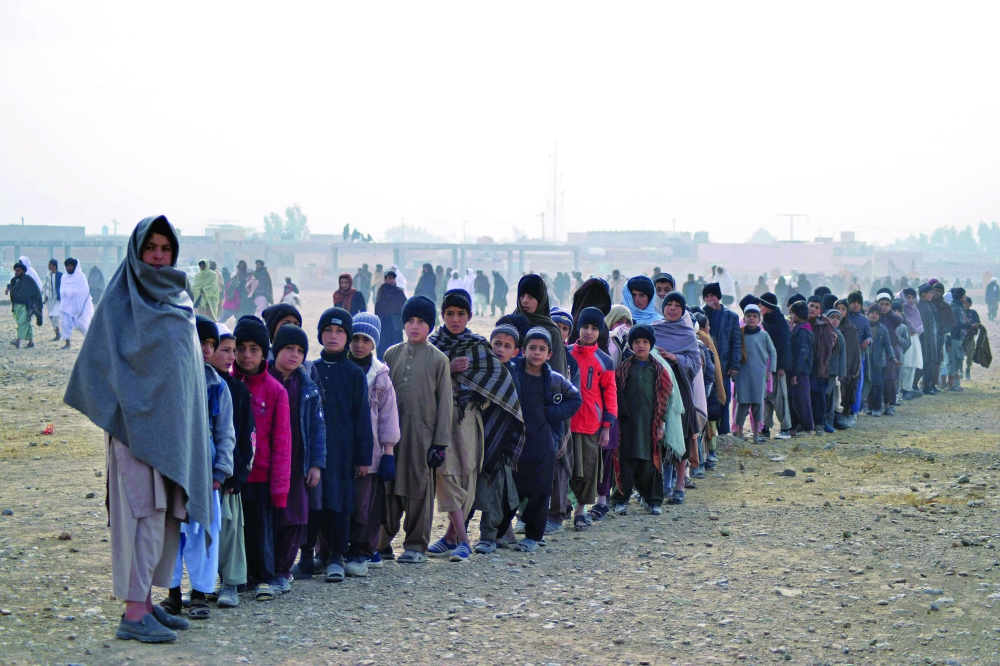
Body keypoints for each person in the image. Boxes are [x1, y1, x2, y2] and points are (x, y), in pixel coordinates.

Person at [63, 215, 208, 643]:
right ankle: (131, 611)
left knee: (166, 516)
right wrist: (127, 412)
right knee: (141, 515)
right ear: (137, 252)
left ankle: (145, 603)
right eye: (151, 248)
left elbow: (185, 377)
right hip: (133, 434)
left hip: (171, 433)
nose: (159, 256)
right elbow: (97, 366)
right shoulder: (119, 300)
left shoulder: (179, 301)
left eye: (166, 248)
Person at [428, 289, 524, 562]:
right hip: (438, 420)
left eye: (461, 314)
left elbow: (499, 381)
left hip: (470, 419)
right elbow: (423, 380)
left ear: (469, 316)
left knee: (468, 474)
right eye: (449, 314)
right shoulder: (432, 345)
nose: (455, 319)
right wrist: (448, 367)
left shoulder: (478, 346)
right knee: (446, 474)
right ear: (442, 315)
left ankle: (451, 536)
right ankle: (461, 538)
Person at [162, 317, 235, 621]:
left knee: (204, 533)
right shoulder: (168, 380)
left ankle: (200, 594)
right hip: (173, 472)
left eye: (211, 344)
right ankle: (173, 595)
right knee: (172, 534)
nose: (206, 349)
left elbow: (225, 433)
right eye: (201, 342)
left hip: (205, 475)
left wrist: (220, 472)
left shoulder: (217, 386)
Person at [378, 296, 453, 564]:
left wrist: (440, 444)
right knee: (387, 490)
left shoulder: (439, 360)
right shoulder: (391, 354)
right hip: (391, 438)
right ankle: (381, 544)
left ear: (430, 326)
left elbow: (445, 404)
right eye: (410, 320)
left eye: (421, 321)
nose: (414, 326)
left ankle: (415, 545)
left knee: (419, 491)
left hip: (423, 439)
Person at [305, 308, 374, 582]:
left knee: (340, 504)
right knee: (313, 505)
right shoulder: (311, 370)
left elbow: (362, 417)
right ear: (320, 334)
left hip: (344, 453)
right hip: (315, 453)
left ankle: (336, 557)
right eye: (329, 331)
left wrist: (363, 457)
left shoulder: (354, 373)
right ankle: (307, 557)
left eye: (340, 331)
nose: (334, 336)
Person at [232, 315, 292, 602]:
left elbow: (282, 443)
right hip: (232, 475)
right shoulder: (226, 385)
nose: (246, 355)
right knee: (233, 530)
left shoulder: (275, 390)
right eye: (240, 348)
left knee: (261, 529)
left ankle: (265, 578)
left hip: (262, 475)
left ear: (264, 351)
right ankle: (234, 579)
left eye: (254, 349)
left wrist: (280, 490)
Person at [505, 327, 581, 551]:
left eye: (542, 349)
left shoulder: (553, 379)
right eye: (532, 348)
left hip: (543, 443)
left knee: (540, 490)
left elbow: (575, 398)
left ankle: (533, 536)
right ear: (523, 351)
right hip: (515, 443)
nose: (536, 353)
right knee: (510, 490)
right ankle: (497, 534)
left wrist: (551, 414)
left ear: (549, 354)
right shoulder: (513, 372)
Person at [268, 325, 325, 593]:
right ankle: (263, 570)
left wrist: (315, 463)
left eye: (300, 350)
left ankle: (282, 570)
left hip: (296, 464)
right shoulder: (264, 378)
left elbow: (317, 427)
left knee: (296, 516)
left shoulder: (306, 384)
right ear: (277, 348)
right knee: (268, 517)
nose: (295, 355)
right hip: (266, 464)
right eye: (289, 348)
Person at [344, 312, 400, 575]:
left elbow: (388, 418)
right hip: (341, 453)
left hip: (373, 456)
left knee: (366, 506)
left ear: (373, 343)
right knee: (340, 503)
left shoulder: (380, 377)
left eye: (365, 339)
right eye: (354, 338)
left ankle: (362, 552)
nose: (358, 344)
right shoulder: (339, 368)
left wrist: (388, 453)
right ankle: (331, 552)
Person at [206, 323, 256, 610]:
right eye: (224, 350)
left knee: (230, 530)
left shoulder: (237, 389)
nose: (230, 356)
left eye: (232, 351)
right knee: (204, 533)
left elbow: (247, 436)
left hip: (229, 476)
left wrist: (238, 475)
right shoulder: (199, 383)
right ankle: (203, 584)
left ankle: (231, 584)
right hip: (202, 474)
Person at [611, 324, 672, 514]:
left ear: (651, 344)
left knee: (649, 462)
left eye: (645, 342)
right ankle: (621, 499)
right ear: (631, 345)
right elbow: (616, 394)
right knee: (626, 460)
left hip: (649, 423)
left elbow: (664, 398)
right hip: (627, 423)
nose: (641, 346)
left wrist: (660, 424)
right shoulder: (623, 368)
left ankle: (652, 500)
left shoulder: (659, 370)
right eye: (636, 342)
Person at [567, 307, 618, 530]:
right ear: (578, 328)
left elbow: (610, 394)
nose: (588, 332)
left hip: (591, 424)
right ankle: (559, 510)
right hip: (566, 423)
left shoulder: (604, 361)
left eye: (594, 328)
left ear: (600, 332)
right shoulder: (565, 353)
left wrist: (607, 426)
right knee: (565, 468)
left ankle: (581, 511)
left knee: (587, 470)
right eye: (585, 327)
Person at [702, 282, 741, 435]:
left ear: (718, 297)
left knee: (724, 399)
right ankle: (708, 434)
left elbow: (736, 342)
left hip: (724, 365)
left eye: (712, 295)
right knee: (708, 399)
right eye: (706, 296)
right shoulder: (701, 314)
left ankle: (724, 432)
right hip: (707, 365)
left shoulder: (731, 316)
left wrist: (735, 365)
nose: (710, 299)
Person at [733, 304, 777, 442]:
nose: (751, 319)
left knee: (758, 404)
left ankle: (757, 434)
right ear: (744, 318)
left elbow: (773, 352)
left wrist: (771, 371)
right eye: (748, 316)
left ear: (759, 319)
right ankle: (739, 434)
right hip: (742, 374)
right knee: (742, 404)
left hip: (759, 374)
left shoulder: (764, 335)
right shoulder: (739, 333)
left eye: (754, 316)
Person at [758, 292, 792, 439]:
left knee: (780, 398)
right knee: (765, 398)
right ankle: (765, 427)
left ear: (769, 306)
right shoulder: (766, 321)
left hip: (777, 368)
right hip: (765, 367)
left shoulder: (779, 322)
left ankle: (785, 428)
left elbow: (784, 346)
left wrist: (781, 367)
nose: (759, 307)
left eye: (761, 305)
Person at [865, 304, 900, 415]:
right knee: (868, 384)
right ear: (868, 313)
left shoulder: (883, 329)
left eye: (877, 313)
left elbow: (888, 345)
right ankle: (869, 407)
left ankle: (877, 408)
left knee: (878, 385)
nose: (874, 315)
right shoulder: (865, 326)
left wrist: (892, 357)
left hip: (878, 361)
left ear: (880, 316)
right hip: (866, 359)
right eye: (872, 312)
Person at [787, 300, 815, 435]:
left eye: (793, 313)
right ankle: (796, 427)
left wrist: (795, 374)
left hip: (801, 372)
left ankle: (808, 428)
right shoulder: (799, 328)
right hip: (798, 372)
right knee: (795, 400)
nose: (791, 315)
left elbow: (801, 354)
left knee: (802, 400)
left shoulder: (803, 331)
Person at [59, 257, 94, 350]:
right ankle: (67, 344)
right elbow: (62, 290)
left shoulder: (81, 276)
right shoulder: (64, 277)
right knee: (65, 324)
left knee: (81, 325)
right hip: (67, 305)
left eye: (70, 266)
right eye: (67, 266)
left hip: (77, 305)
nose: (69, 268)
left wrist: (74, 292)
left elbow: (85, 290)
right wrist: (67, 292)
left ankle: (91, 342)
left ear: (74, 267)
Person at [8, 261, 41, 348]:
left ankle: (18, 341)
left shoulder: (28, 280)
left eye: (18, 271)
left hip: (26, 305)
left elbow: (36, 292)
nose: (16, 272)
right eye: (15, 271)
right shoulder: (14, 280)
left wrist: (36, 305)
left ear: (23, 271)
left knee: (22, 322)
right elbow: (13, 292)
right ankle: (31, 342)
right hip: (16, 305)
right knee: (26, 323)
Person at [374, 271, 407, 358]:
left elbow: (405, 306)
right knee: (383, 346)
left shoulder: (399, 292)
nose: (392, 280)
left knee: (397, 346)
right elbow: (379, 307)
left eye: (393, 278)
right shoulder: (382, 291)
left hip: (396, 323)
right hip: (384, 322)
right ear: (385, 280)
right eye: (389, 278)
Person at [899, 288, 924, 398]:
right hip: (904, 338)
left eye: (913, 297)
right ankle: (900, 389)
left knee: (912, 364)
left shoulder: (915, 310)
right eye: (908, 297)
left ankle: (908, 388)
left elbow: (919, 325)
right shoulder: (900, 310)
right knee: (904, 363)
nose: (910, 300)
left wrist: (915, 331)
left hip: (914, 339)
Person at [916, 284, 941, 394]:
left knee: (930, 362)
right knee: (921, 362)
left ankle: (928, 385)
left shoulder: (929, 305)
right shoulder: (918, 306)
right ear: (923, 294)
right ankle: (915, 385)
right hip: (922, 339)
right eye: (931, 293)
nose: (933, 295)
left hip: (931, 339)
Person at [42, 259, 62, 340]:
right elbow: (45, 286)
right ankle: (57, 333)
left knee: (55, 316)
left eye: (50, 265)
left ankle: (58, 332)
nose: (49, 266)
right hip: (50, 298)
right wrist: (44, 297)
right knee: (51, 316)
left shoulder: (60, 275)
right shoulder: (48, 275)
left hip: (58, 299)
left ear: (54, 266)